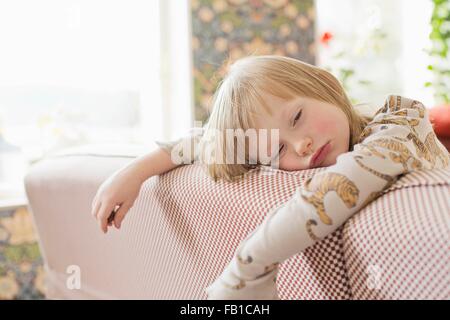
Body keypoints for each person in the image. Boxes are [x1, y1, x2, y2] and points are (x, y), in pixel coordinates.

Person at [91, 55, 449, 299]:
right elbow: (213, 144)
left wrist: (248, 267)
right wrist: (136, 171)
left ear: (323, 85)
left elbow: (344, 184)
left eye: (296, 117)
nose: (301, 143)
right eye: (277, 151)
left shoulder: (400, 122)